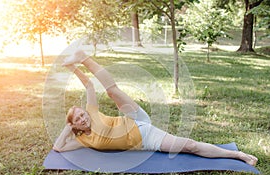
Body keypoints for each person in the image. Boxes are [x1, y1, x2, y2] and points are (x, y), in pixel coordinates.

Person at [53, 50, 258, 166]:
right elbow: (58, 148)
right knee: (190, 146)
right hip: (145, 140)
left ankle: (83, 57)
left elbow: (89, 85)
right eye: (78, 119)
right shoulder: (82, 140)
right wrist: (67, 128)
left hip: (136, 122)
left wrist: (73, 68)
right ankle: (237, 155)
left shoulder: (92, 112)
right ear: (75, 126)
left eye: (82, 114)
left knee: (112, 92)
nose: (83, 118)